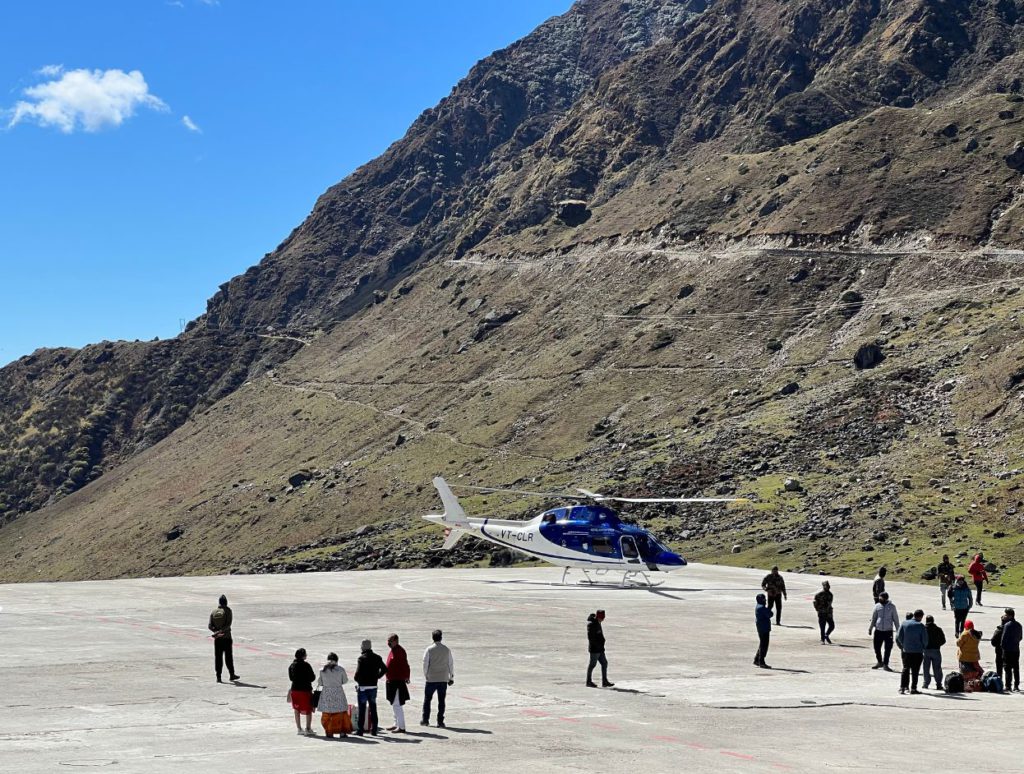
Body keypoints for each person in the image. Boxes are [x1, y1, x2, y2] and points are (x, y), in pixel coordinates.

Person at [422, 629, 455, 728]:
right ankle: (440, 721)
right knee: (441, 701)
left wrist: (426, 675)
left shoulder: (429, 649)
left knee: (427, 700)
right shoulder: (446, 649)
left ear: (432, 638)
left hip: (431, 678)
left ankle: (425, 720)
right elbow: (450, 664)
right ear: (441, 638)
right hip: (443, 678)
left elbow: (425, 663)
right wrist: (451, 677)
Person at [354, 639, 387, 736]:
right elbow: (385, 669)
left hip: (363, 687)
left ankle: (360, 730)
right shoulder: (377, 657)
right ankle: (374, 729)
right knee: (373, 708)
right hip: (373, 686)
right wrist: (377, 677)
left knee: (362, 709)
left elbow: (357, 673)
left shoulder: (361, 658)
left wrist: (358, 680)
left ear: (363, 647)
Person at [316, 652, 349, 738]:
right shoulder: (341, 669)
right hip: (338, 691)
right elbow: (345, 681)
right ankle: (342, 732)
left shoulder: (322, 670)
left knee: (328, 713)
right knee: (341, 712)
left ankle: (329, 731)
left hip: (327, 693)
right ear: (337, 660)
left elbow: (320, 682)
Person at [208, 594, 239, 684]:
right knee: (228, 657)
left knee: (218, 658)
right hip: (226, 638)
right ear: (226, 602)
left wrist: (216, 632)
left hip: (217, 639)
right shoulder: (228, 610)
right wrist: (221, 631)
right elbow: (228, 624)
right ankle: (232, 674)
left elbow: (210, 625)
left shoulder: (214, 612)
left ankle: (218, 677)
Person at [896, 610, 928, 695]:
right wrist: (923, 647)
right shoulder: (921, 626)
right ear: (920, 617)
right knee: (915, 671)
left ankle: (902, 687)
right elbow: (925, 639)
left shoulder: (904, 623)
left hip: (907, 651)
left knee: (905, 669)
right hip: (918, 652)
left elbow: (899, 636)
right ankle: (913, 688)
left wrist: (904, 644)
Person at [868, 591, 900, 671]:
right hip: (878, 631)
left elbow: (896, 619)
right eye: (879, 597)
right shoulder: (877, 606)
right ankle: (879, 662)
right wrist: (870, 628)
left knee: (888, 648)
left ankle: (886, 664)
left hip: (888, 631)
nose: (879, 599)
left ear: (885, 598)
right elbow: (874, 618)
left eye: (881, 598)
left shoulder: (892, 607)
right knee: (876, 647)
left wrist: (898, 631)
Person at [385, 634, 410, 733]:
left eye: (390, 641)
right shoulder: (393, 650)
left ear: (396, 641)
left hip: (397, 681)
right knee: (394, 704)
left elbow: (405, 665)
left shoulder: (400, 651)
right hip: (391, 681)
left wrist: (407, 676)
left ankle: (402, 727)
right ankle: (396, 724)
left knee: (397, 704)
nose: (388, 643)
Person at [288, 648, 316, 736]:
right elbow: (312, 678)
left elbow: (291, 678)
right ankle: (308, 728)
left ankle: (299, 728)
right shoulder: (306, 665)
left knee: (296, 709)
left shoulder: (292, 666)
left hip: (295, 690)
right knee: (308, 709)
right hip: (305, 690)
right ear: (303, 656)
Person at [586, 610, 614, 687]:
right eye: (602, 618)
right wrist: (598, 645)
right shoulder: (591, 625)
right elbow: (591, 638)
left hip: (600, 649)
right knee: (592, 665)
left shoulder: (598, 622)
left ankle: (604, 681)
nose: (603, 619)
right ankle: (588, 681)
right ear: (599, 617)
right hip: (595, 649)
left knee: (604, 663)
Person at [922, 614, 946, 691]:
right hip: (936, 650)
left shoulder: (923, 629)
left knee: (926, 668)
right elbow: (943, 640)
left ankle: (926, 683)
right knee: (937, 668)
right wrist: (937, 645)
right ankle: (939, 684)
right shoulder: (938, 629)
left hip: (926, 651)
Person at [1000, 608, 1021, 692]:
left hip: (1008, 650)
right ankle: (1016, 685)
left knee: (1007, 668)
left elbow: (1003, 639)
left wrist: (1003, 647)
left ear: (1010, 616)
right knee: (1016, 668)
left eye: (1006, 615)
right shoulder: (1019, 625)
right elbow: (1020, 637)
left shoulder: (1007, 625)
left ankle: (1008, 685)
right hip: (1016, 649)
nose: (1004, 616)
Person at [754, 593, 772, 669]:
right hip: (764, 628)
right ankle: (761, 661)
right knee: (764, 645)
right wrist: (769, 609)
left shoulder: (759, 606)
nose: (765, 601)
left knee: (762, 644)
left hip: (761, 627)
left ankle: (757, 659)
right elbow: (770, 614)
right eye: (764, 599)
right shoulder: (761, 608)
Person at [992, 614, 1007, 679]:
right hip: (1009, 651)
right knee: (1008, 669)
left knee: (999, 668)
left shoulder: (998, 630)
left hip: (999, 651)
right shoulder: (1010, 630)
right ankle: (1008, 684)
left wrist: (998, 645)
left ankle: (999, 682)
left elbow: (993, 642)